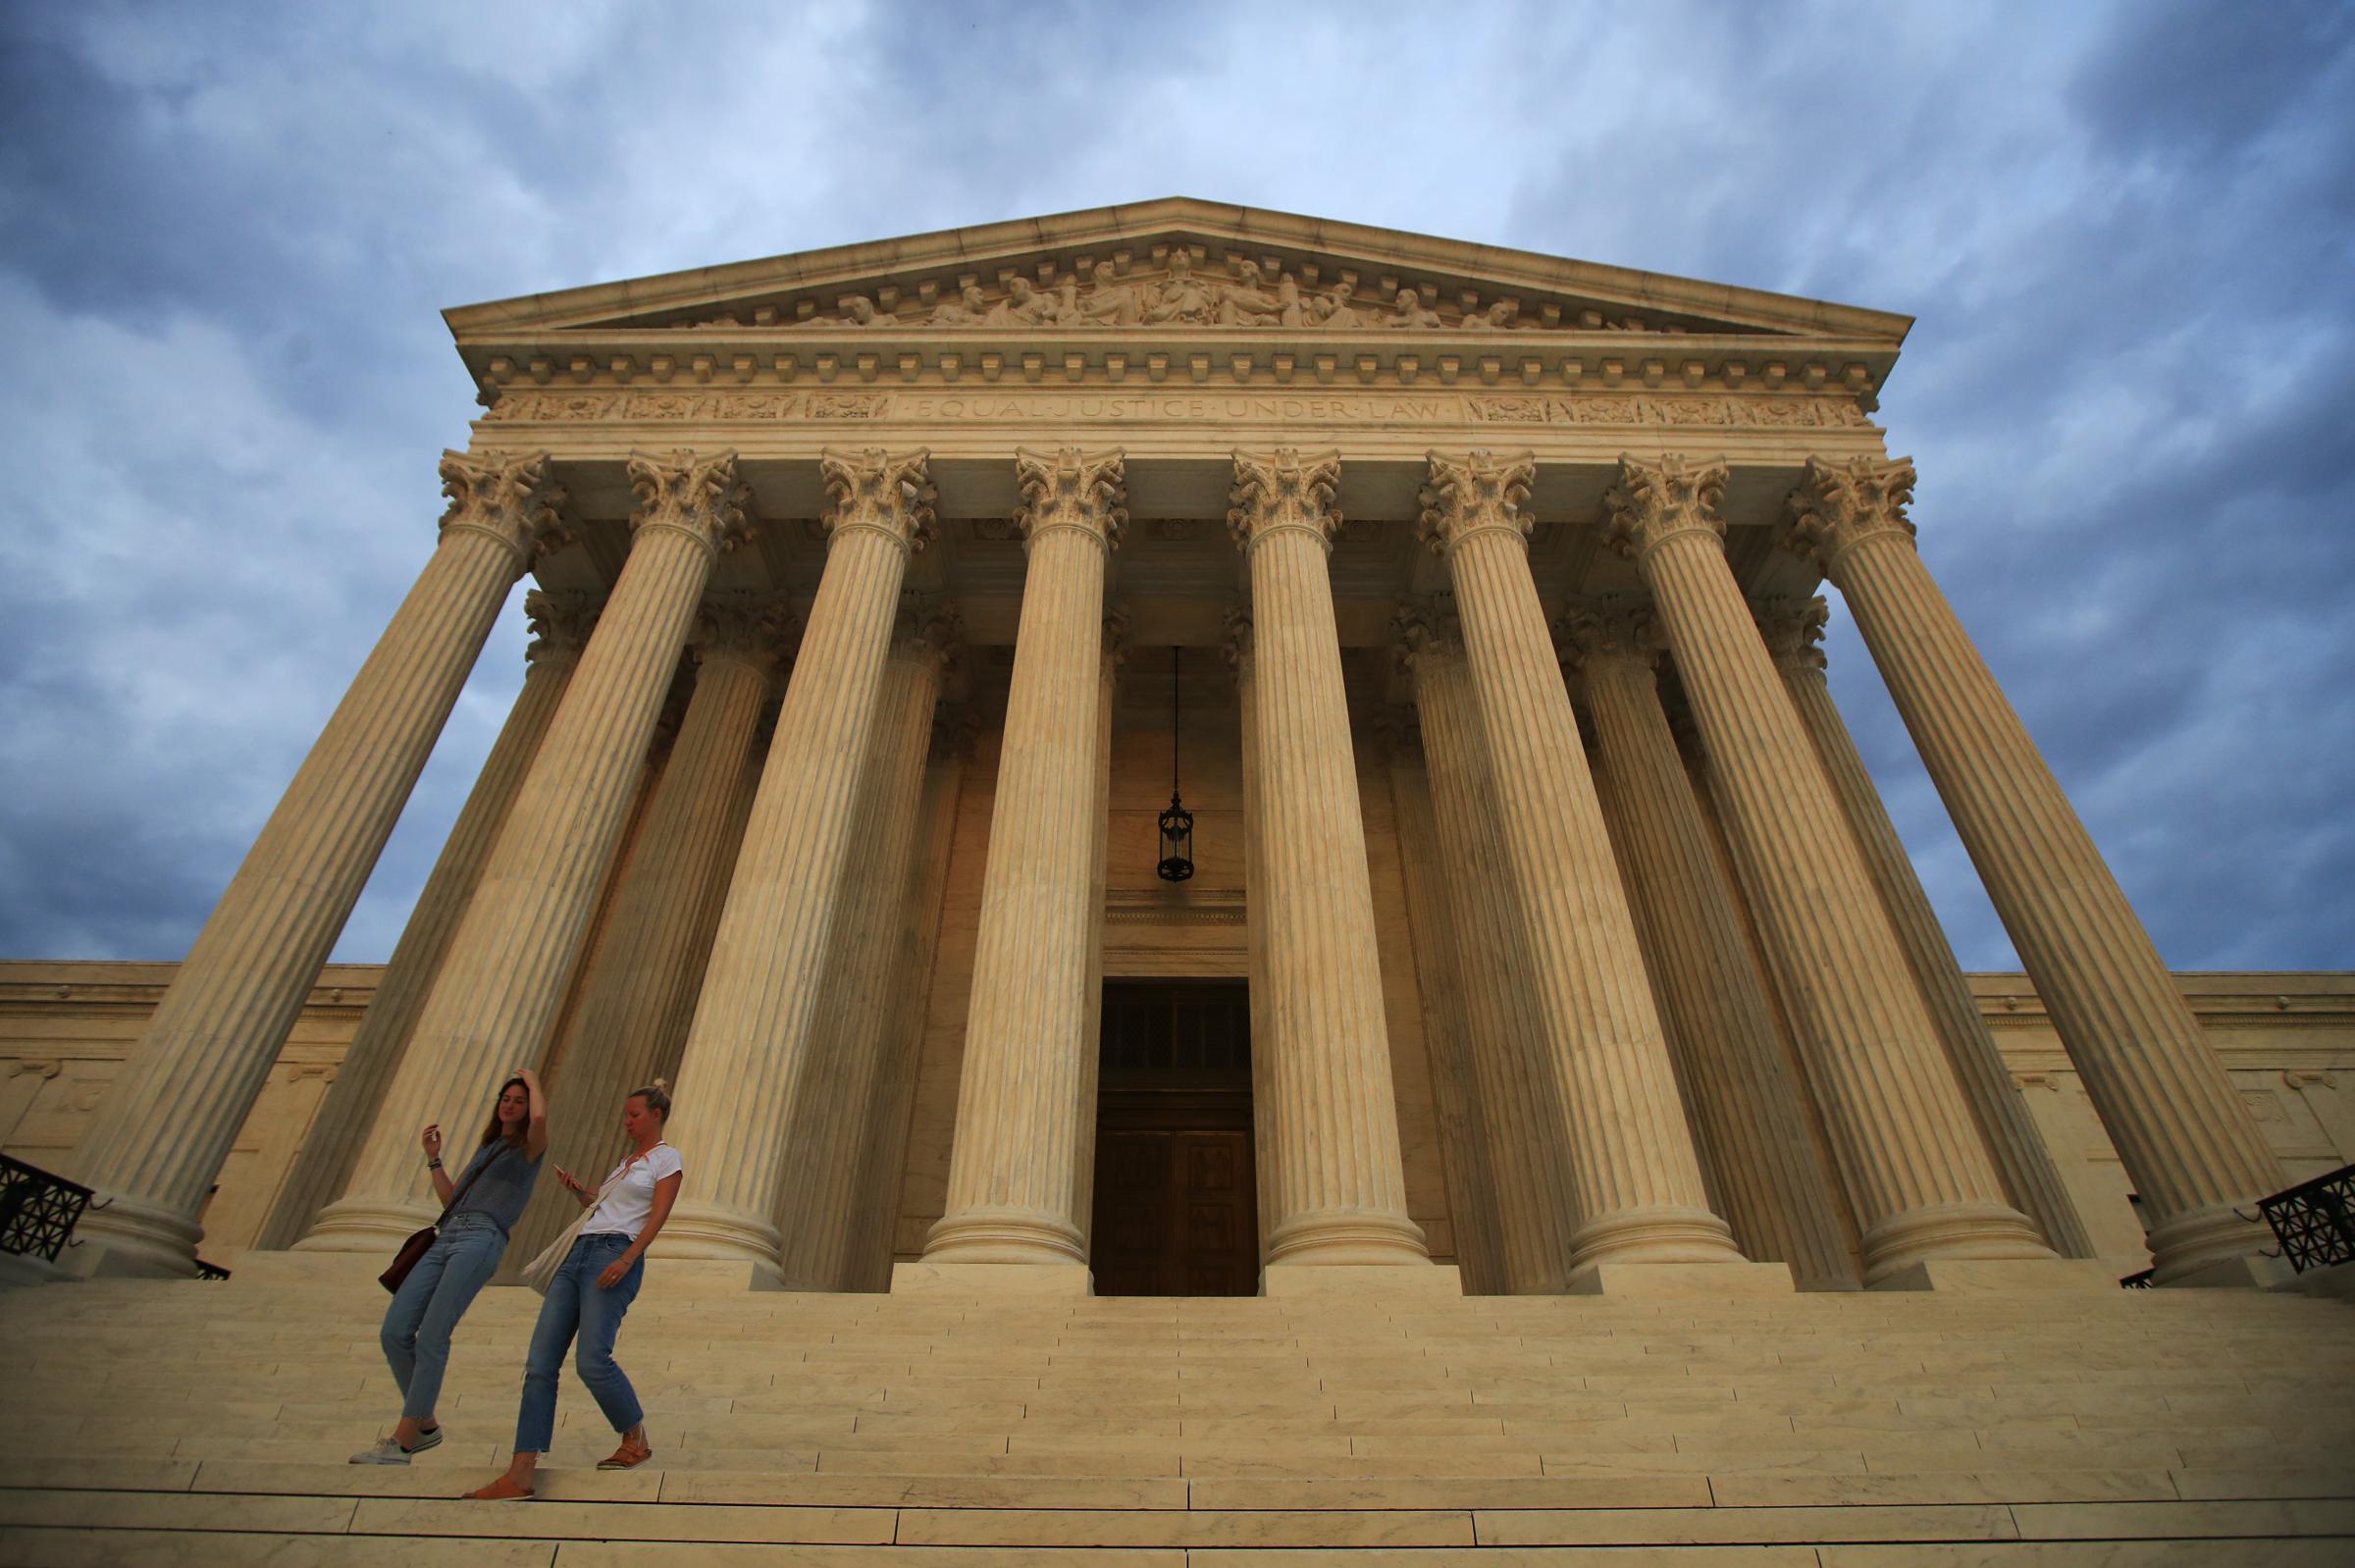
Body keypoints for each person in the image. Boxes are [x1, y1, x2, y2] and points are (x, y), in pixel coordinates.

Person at [465, 1080, 683, 1499]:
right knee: (540, 1363)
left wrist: (628, 1258)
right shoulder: (624, 1163)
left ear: (656, 1115)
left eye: (634, 1115)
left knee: (592, 1360)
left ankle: (634, 1437)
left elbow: (657, 1215)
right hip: (579, 1252)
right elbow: (601, 1208)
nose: (628, 1122)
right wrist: (580, 1191)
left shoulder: (666, 1158)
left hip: (614, 1253)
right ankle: (521, 1471)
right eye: (626, 1115)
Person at [350, 1069, 548, 1464]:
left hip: (482, 1237)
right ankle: (425, 1423)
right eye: (506, 1099)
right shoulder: (488, 1146)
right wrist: (434, 1160)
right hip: (448, 1234)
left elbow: (541, 1121)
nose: (510, 1105)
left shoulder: (530, 1148)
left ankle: (403, 1441)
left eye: (519, 1101)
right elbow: (453, 1199)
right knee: (395, 1331)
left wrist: (533, 1083)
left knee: (433, 1335)